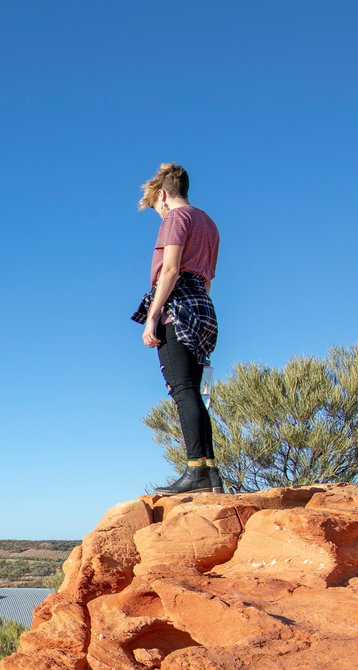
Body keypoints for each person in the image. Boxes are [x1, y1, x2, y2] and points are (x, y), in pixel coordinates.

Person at [133, 163, 222, 494]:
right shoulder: (208, 223)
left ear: (163, 195)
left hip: (177, 305)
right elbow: (208, 279)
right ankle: (209, 473)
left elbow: (170, 270)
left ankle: (195, 470)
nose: (158, 213)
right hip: (202, 305)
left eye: (156, 207)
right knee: (193, 390)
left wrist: (153, 315)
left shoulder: (175, 218)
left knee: (182, 389)